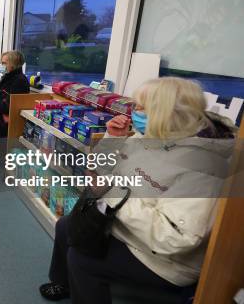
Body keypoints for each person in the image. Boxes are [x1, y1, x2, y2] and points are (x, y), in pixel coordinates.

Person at [39, 77, 236, 303]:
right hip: (129, 227)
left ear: (166, 113)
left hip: (164, 260)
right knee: (66, 225)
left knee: (82, 258)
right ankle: (62, 283)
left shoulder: (205, 166)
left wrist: (112, 196)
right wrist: (112, 139)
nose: (134, 111)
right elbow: (103, 170)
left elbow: (176, 238)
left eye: (141, 106)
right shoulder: (153, 137)